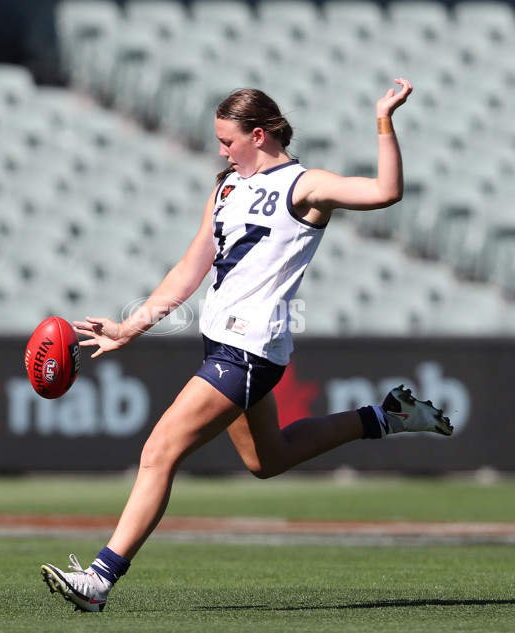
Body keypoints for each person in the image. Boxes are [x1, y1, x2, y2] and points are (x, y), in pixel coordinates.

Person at [41, 78, 453, 613]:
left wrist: (383, 120)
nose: (220, 151)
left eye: (227, 141)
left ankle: (99, 579)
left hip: (250, 352)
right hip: (220, 345)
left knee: (158, 452)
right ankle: (387, 416)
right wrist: (130, 326)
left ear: (258, 135)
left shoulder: (304, 186)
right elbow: (191, 267)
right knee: (267, 459)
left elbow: (385, 192)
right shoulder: (227, 188)